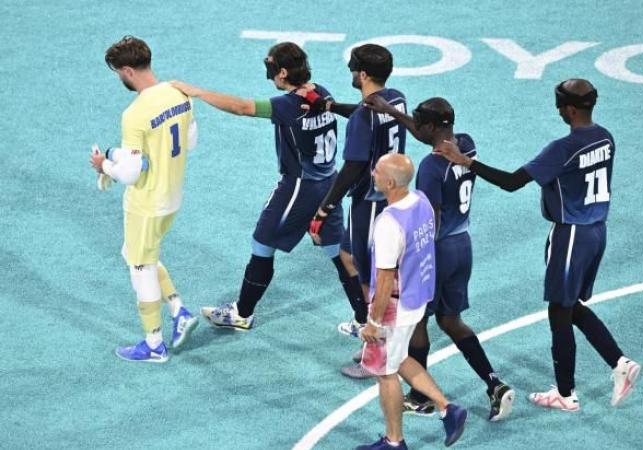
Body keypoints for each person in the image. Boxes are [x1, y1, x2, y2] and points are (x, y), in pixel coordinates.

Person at [433, 79, 641, 411]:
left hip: (571, 233)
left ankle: (566, 393)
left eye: (560, 106)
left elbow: (512, 182)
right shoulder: (606, 137)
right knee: (569, 306)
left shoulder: (563, 148)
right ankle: (619, 363)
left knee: (559, 311)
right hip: (597, 231)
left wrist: (465, 162)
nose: (559, 111)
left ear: (570, 109)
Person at [169, 42, 363, 330]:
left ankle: (242, 313)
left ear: (282, 72)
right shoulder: (321, 92)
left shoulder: (288, 105)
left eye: (272, 70)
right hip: (329, 184)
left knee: (262, 243)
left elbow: (242, 107)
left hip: (299, 187)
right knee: (337, 252)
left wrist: (197, 91)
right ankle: (364, 320)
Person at [364, 95, 515, 421]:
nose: (415, 128)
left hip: (440, 252)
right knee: (451, 321)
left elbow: (431, 222)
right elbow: (427, 135)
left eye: (419, 122)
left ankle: (420, 396)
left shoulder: (431, 168)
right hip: (463, 247)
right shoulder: (466, 146)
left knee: (418, 320)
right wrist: (392, 112)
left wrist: (409, 259)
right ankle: (494, 384)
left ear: (430, 126)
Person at [90, 36, 199, 363]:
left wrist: (105, 165)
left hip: (146, 203)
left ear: (127, 70)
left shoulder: (134, 113)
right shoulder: (180, 93)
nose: (119, 79)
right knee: (138, 253)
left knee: (140, 267)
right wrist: (125, 156)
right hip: (173, 196)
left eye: (118, 73)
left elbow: (132, 174)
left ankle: (154, 344)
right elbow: (189, 141)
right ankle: (179, 311)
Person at [307, 44, 407, 378]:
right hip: (391, 196)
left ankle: (376, 349)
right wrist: (333, 106)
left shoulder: (365, 117)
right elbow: (369, 114)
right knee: (349, 255)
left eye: (353, 70)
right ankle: (374, 333)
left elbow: (351, 168)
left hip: (370, 200)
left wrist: (324, 210)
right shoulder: (394, 98)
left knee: (371, 275)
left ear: (362, 74)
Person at [356, 153, 467, 450]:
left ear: (390, 182)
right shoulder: (421, 201)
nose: (372, 174)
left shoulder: (388, 223)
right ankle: (447, 409)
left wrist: (373, 322)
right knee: (401, 357)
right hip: (417, 297)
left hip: (394, 305)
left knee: (385, 372)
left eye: (377, 171)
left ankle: (394, 442)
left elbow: (384, 280)